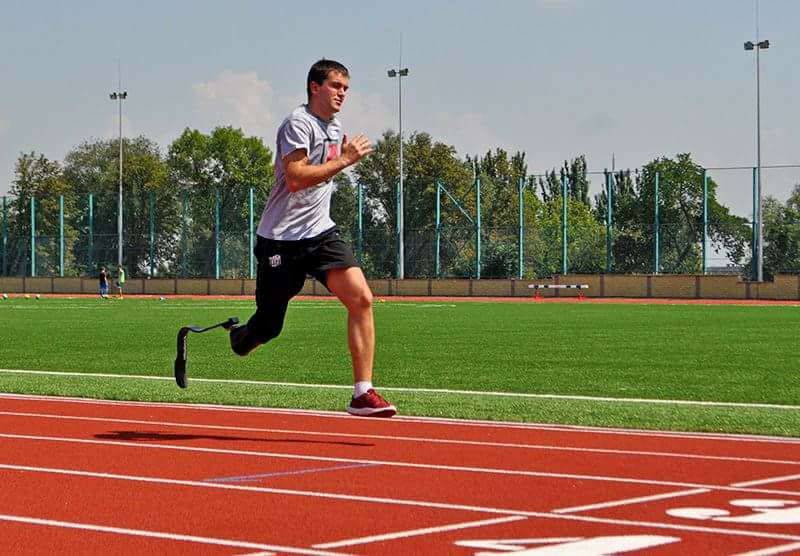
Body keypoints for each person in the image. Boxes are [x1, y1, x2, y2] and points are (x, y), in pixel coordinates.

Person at [229, 59, 396, 418]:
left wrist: (342, 155)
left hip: (320, 234)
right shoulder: (297, 124)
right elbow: (295, 178)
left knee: (362, 299)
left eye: (346, 88)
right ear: (314, 87)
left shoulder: (335, 129)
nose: (342, 94)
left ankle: (362, 393)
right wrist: (345, 160)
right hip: (280, 240)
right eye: (336, 86)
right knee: (269, 326)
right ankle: (241, 337)